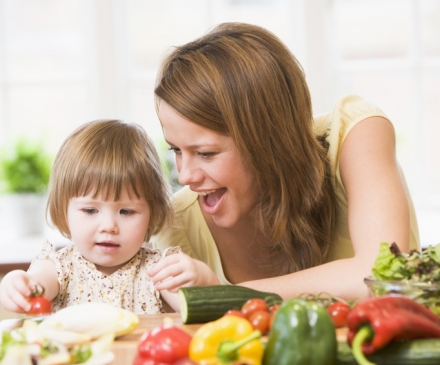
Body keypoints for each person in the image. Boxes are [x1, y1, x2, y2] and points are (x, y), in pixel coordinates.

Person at [149, 22, 420, 301]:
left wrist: (225, 296)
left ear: (267, 140)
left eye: (206, 153)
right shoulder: (180, 225)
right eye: (176, 150)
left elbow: (382, 278)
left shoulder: (356, 135)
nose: (185, 176)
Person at [0, 120, 219, 315]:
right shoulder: (61, 268)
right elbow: (35, 285)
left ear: (152, 214)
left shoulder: (158, 270)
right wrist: (17, 284)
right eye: (90, 211)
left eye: (126, 211)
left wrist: (204, 279)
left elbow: (201, 309)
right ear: (64, 211)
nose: (109, 226)